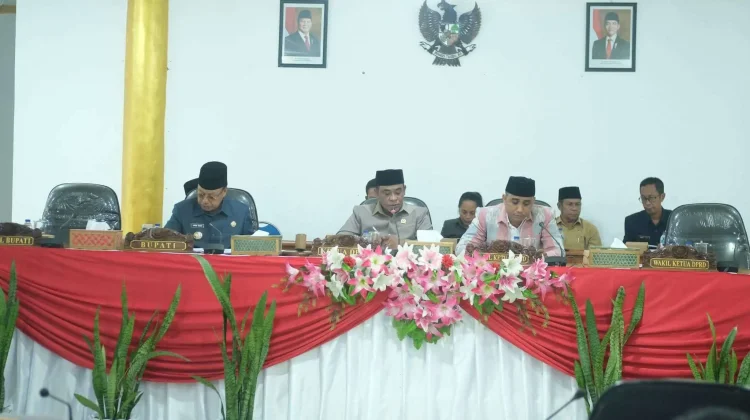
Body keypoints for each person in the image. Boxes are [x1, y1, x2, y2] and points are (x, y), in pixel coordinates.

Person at [457, 176, 564, 256]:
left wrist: (540, 257)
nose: (520, 209)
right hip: (494, 272)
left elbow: (558, 250)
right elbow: (462, 247)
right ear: (504, 199)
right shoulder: (485, 215)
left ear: (533, 202)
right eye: (514, 202)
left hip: (531, 273)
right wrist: (483, 257)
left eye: (526, 203)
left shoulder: (544, 216)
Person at [165, 162, 254, 249]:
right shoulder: (181, 210)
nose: (204, 201)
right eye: (201, 194)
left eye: (211, 197)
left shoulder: (241, 212)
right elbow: (164, 242)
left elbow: (252, 247)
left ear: (224, 192)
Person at [338, 169, 432, 247]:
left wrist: (400, 243)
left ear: (404, 190)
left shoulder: (419, 214)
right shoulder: (360, 212)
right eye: (387, 194)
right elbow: (338, 240)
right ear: (377, 193)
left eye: (398, 192)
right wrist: (366, 241)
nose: (393, 198)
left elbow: (432, 246)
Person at [623, 177, 672, 246]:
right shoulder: (631, 222)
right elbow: (626, 249)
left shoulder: (674, 220)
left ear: (662, 197)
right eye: (643, 198)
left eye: (651, 198)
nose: (647, 203)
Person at [556, 186, 601, 251]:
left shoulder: (590, 229)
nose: (574, 208)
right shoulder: (549, 227)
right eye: (570, 204)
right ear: (559, 206)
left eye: (577, 204)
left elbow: (595, 255)